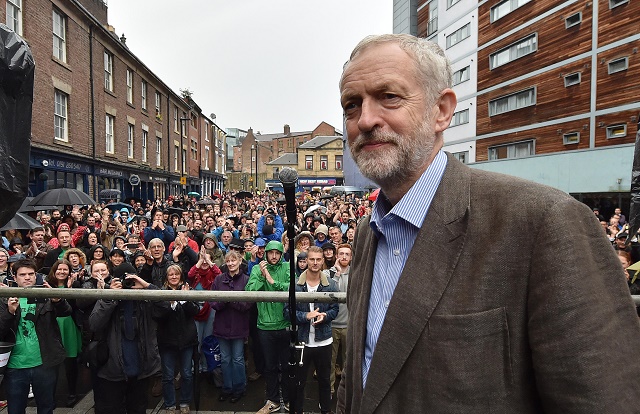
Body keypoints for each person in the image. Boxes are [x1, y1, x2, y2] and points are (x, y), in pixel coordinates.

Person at [336, 33, 640, 413]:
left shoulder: (543, 222)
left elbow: (603, 398)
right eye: (352, 105)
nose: (365, 120)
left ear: (442, 111)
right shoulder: (368, 232)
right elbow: (364, 370)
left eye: (389, 97)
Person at [0, 258, 72, 414]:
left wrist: (57, 299)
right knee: (15, 409)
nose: (27, 277)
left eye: (31, 274)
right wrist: (9, 312)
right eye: (23, 274)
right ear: (14, 277)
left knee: (46, 408)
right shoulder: (4, 297)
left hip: (44, 362)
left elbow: (66, 312)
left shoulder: (45, 294)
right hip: (15, 365)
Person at [89, 263, 161, 414]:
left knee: (138, 409)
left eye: (131, 279)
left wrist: (147, 287)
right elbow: (94, 324)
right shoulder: (109, 297)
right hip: (112, 369)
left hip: (141, 368)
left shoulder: (144, 299)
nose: (128, 284)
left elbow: (166, 306)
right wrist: (110, 297)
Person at [286, 247, 339, 414]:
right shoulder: (295, 285)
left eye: (318, 259)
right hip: (303, 341)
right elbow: (287, 311)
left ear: (323, 261)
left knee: (324, 381)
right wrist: (306, 316)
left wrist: (325, 316)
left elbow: (335, 309)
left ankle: (325, 411)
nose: (315, 262)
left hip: (324, 340)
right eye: (312, 259)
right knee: (299, 382)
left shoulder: (331, 284)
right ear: (306, 261)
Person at [245, 240, 292, 414]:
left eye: (277, 253)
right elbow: (250, 292)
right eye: (270, 253)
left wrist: (272, 281)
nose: (273, 256)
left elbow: (292, 287)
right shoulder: (258, 269)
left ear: (281, 254)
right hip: (265, 325)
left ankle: (287, 399)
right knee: (270, 366)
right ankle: (272, 400)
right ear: (265, 254)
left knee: (287, 365)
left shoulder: (287, 267)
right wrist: (262, 276)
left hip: (285, 323)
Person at [154, 264, 198, 414]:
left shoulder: (188, 290)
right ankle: (170, 405)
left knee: (186, 373)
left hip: (187, 340)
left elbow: (195, 310)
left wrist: (184, 300)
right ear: (166, 277)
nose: (173, 277)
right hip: (167, 341)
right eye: (171, 275)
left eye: (176, 274)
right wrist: (170, 304)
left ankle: (185, 402)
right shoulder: (161, 293)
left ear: (181, 276)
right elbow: (157, 315)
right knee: (167, 375)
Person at [211, 250, 252, 403]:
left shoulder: (246, 280)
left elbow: (248, 304)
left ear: (240, 261)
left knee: (238, 359)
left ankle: (240, 388)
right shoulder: (219, 279)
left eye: (234, 260)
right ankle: (227, 387)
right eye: (228, 261)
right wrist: (224, 301)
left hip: (238, 326)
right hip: (222, 325)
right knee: (225, 359)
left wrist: (232, 299)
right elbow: (213, 302)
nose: (231, 263)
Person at [45, 259, 83, 407]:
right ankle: (50, 395)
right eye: (59, 269)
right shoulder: (47, 284)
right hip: (52, 324)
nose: (62, 272)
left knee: (70, 361)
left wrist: (69, 289)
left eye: (65, 269)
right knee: (51, 363)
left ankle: (72, 392)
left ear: (69, 271)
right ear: (54, 271)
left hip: (69, 324)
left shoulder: (76, 284)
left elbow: (75, 307)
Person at [329, 244, 352, 394]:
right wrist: (337, 273)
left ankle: (347, 391)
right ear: (337, 255)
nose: (344, 257)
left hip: (349, 325)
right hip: (332, 324)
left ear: (351, 257)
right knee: (330, 361)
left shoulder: (356, 273)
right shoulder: (329, 272)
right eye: (341, 254)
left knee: (347, 361)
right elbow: (331, 292)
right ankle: (329, 390)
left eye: (347, 254)